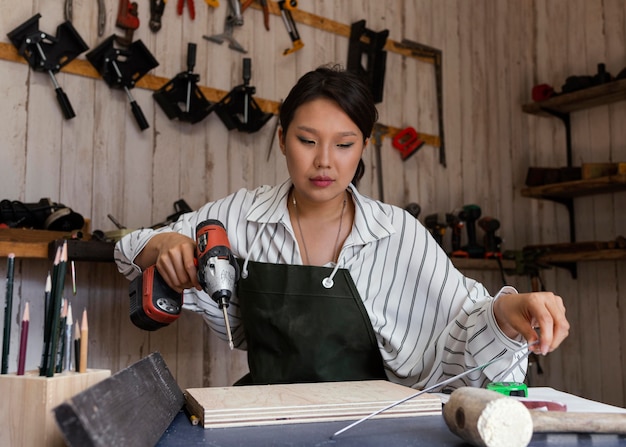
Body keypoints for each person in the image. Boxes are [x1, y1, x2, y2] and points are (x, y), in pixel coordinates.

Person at [114, 65, 569, 389]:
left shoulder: (397, 233)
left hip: (369, 429)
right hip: (268, 418)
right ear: (282, 139)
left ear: (363, 147)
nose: (324, 162)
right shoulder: (242, 217)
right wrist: (166, 244)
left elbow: (463, 331)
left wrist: (507, 316)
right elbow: (128, 248)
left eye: (344, 144)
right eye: (307, 141)